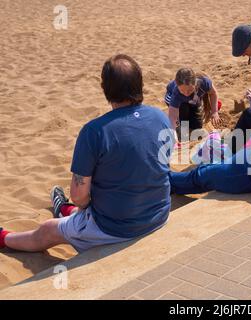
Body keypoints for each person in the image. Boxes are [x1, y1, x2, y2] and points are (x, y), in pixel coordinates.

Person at [0, 54, 173, 253]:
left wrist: (84, 206)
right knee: (92, 205)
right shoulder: (160, 117)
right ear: (139, 84)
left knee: (47, 230)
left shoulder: (95, 131)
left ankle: (4, 238)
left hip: (117, 228)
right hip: (158, 213)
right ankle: (67, 212)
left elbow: (79, 197)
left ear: (105, 89)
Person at [165, 68, 221, 143]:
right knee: (184, 115)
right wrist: (173, 135)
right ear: (178, 87)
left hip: (193, 100)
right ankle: (180, 129)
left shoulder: (204, 82)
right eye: (182, 90)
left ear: (195, 83)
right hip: (174, 99)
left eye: (189, 90)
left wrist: (215, 112)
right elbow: (172, 116)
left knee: (197, 126)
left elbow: (213, 93)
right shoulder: (177, 93)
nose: (186, 93)